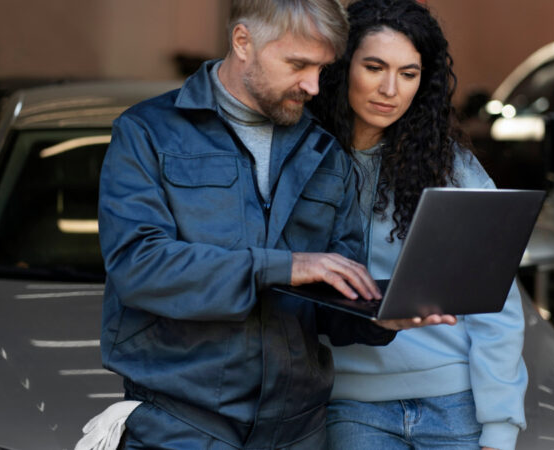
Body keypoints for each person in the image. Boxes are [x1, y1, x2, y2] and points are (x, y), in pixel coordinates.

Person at [93, 1, 453, 448]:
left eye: (322, 68)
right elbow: (139, 267)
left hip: (297, 430)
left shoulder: (325, 153)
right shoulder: (147, 133)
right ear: (243, 41)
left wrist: (379, 318)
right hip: (180, 425)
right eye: (299, 64)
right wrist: (283, 266)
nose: (314, 86)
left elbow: (330, 308)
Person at [308, 1, 528, 449]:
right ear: (341, 65)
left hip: (454, 404)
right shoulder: (301, 162)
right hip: (351, 406)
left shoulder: (453, 169)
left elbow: (496, 304)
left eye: (408, 74)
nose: (390, 88)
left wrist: (500, 425)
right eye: (374, 67)